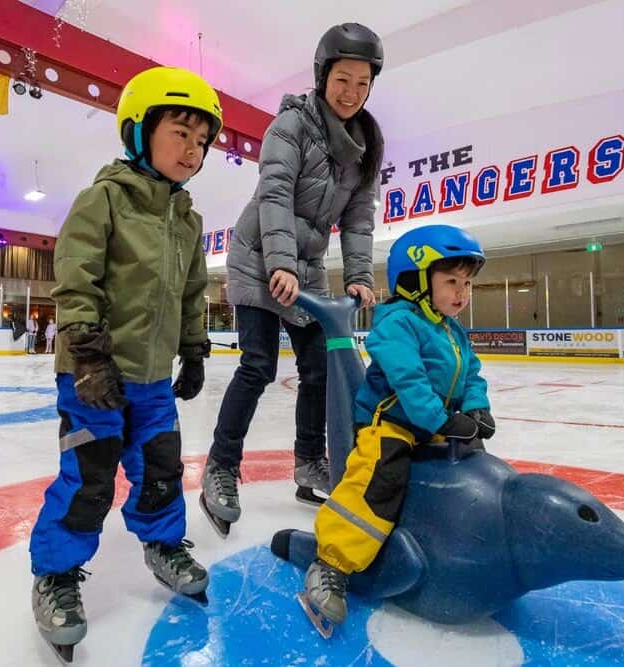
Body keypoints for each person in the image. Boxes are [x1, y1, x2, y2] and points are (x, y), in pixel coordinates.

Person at [27, 66, 221, 659]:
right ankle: (57, 574)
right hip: (95, 373)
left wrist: (192, 349)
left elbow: (191, 294)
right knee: (89, 477)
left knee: (161, 469)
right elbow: (76, 280)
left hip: (153, 378)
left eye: (202, 140)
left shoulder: (188, 220)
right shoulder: (103, 200)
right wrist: (87, 357)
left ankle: (163, 543)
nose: (193, 149)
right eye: (180, 132)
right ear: (139, 132)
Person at [201, 23, 385, 537]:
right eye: (343, 79)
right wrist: (278, 262)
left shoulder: (365, 144)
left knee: (319, 370)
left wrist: (358, 275)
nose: (351, 92)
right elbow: (275, 193)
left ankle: (309, 462)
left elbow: (358, 220)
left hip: (305, 265)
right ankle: (220, 467)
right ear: (323, 76)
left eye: (362, 83)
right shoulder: (291, 124)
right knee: (258, 365)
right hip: (260, 252)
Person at [300, 225, 497, 632]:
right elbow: (409, 381)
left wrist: (477, 407)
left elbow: (471, 374)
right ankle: (332, 562)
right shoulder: (397, 324)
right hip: (390, 421)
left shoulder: (451, 328)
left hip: (429, 422)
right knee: (382, 477)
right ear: (415, 280)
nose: (462, 292)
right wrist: (441, 420)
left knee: (472, 465)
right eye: (451, 281)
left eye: (467, 283)